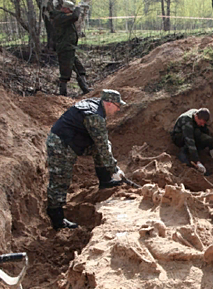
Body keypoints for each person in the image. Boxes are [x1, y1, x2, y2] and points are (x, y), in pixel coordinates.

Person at [46, 90, 127, 230]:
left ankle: (105, 181)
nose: (118, 109)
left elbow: (101, 144)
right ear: (108, 103)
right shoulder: (95, 115)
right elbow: (102, 146)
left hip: (74, 140)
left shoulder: (96, 105)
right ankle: (57, 218)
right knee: (61, 178)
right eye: (117, 106)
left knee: (104, 145)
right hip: (61, 144)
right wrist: (114, 169)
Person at [52, 0, 90, 96]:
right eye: (70, 10)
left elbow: (73, 17)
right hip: (65, 49)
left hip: (69, 49)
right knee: (65, 74)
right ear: (65, 9)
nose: (71, 12)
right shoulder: (59, 17)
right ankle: (63, 95)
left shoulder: (63, 17)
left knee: (80, 69)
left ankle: (85, 89)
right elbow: (75, 17)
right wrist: (79, 7)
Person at [170, 108, 213, 175]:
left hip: (193, 133)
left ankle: (196, 151)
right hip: (180, 137)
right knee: (192, 140)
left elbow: (205, 131)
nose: (202, 125)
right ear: (196, 117)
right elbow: (189, 141)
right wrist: (197, 161)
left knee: (207, 138)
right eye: (200, 123)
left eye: (203, 123)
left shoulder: (199, 115)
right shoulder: (186, 120)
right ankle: (184, 152)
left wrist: (211, 148)